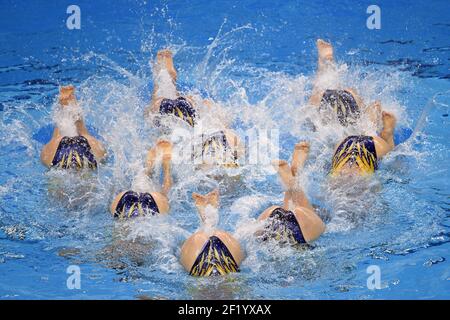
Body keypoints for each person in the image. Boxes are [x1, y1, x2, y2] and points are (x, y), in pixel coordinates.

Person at [145, 49, 244, 168]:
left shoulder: (227, 142)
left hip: (195, 120)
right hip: (202, 133)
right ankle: (165, 79)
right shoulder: (219, 152)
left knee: (159, 113)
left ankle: (166, 77)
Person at [257, 142, 325, 245]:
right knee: (315, 222)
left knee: (294, 213)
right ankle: (293, 182)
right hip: (302, 224)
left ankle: (293, 183)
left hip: (269, 221)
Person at [308, 39, 380, 127]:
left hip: (332, 99)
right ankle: (325, 62)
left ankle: (325, 62)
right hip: (349, 96)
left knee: (314, 106)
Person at [180, 189, 244, 276]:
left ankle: (208, 221)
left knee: (200, 237)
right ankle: (208, 220)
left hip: (202, 273)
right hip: (225, 272)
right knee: (215, 235)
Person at [40, 85, 106, 169]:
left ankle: (66, 105)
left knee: (56, 138)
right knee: (85, 134)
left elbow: (56, 138)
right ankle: (69, 105)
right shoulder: (91, 144)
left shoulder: (51, 151)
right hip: (85, 154)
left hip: (60, 156)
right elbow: (84, 133)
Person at [110, 140, 173, 218]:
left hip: (123, 199)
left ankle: (148, 170)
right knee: (164, 196)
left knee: (121, 224)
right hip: (153, 201)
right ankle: (166, 170)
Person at [330, 110, 397, 176]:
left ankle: (386, 134)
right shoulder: (332, 183)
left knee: (391, 156)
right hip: (345, 145)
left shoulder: (364, 183)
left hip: (371, 148)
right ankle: (374, 127)